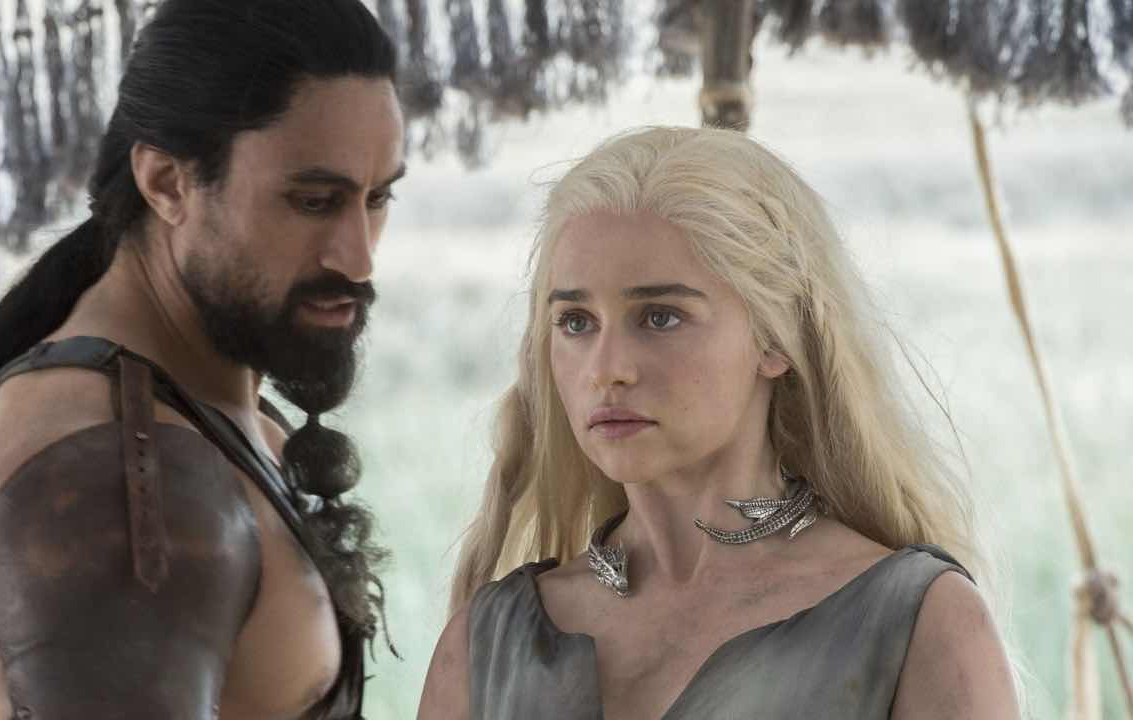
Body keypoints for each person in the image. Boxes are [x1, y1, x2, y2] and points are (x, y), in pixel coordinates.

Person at [0, 1, 406, 718]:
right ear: (168, 184)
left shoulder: (183, 414)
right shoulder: (124, 488)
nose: (359, 259)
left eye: (377, 198)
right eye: (313, 201)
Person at [418, 126, 1018, 719]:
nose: (606, 370)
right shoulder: (484, 646)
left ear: (775, 338)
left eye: (659, 317)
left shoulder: (921, 624)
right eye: (576, 322)